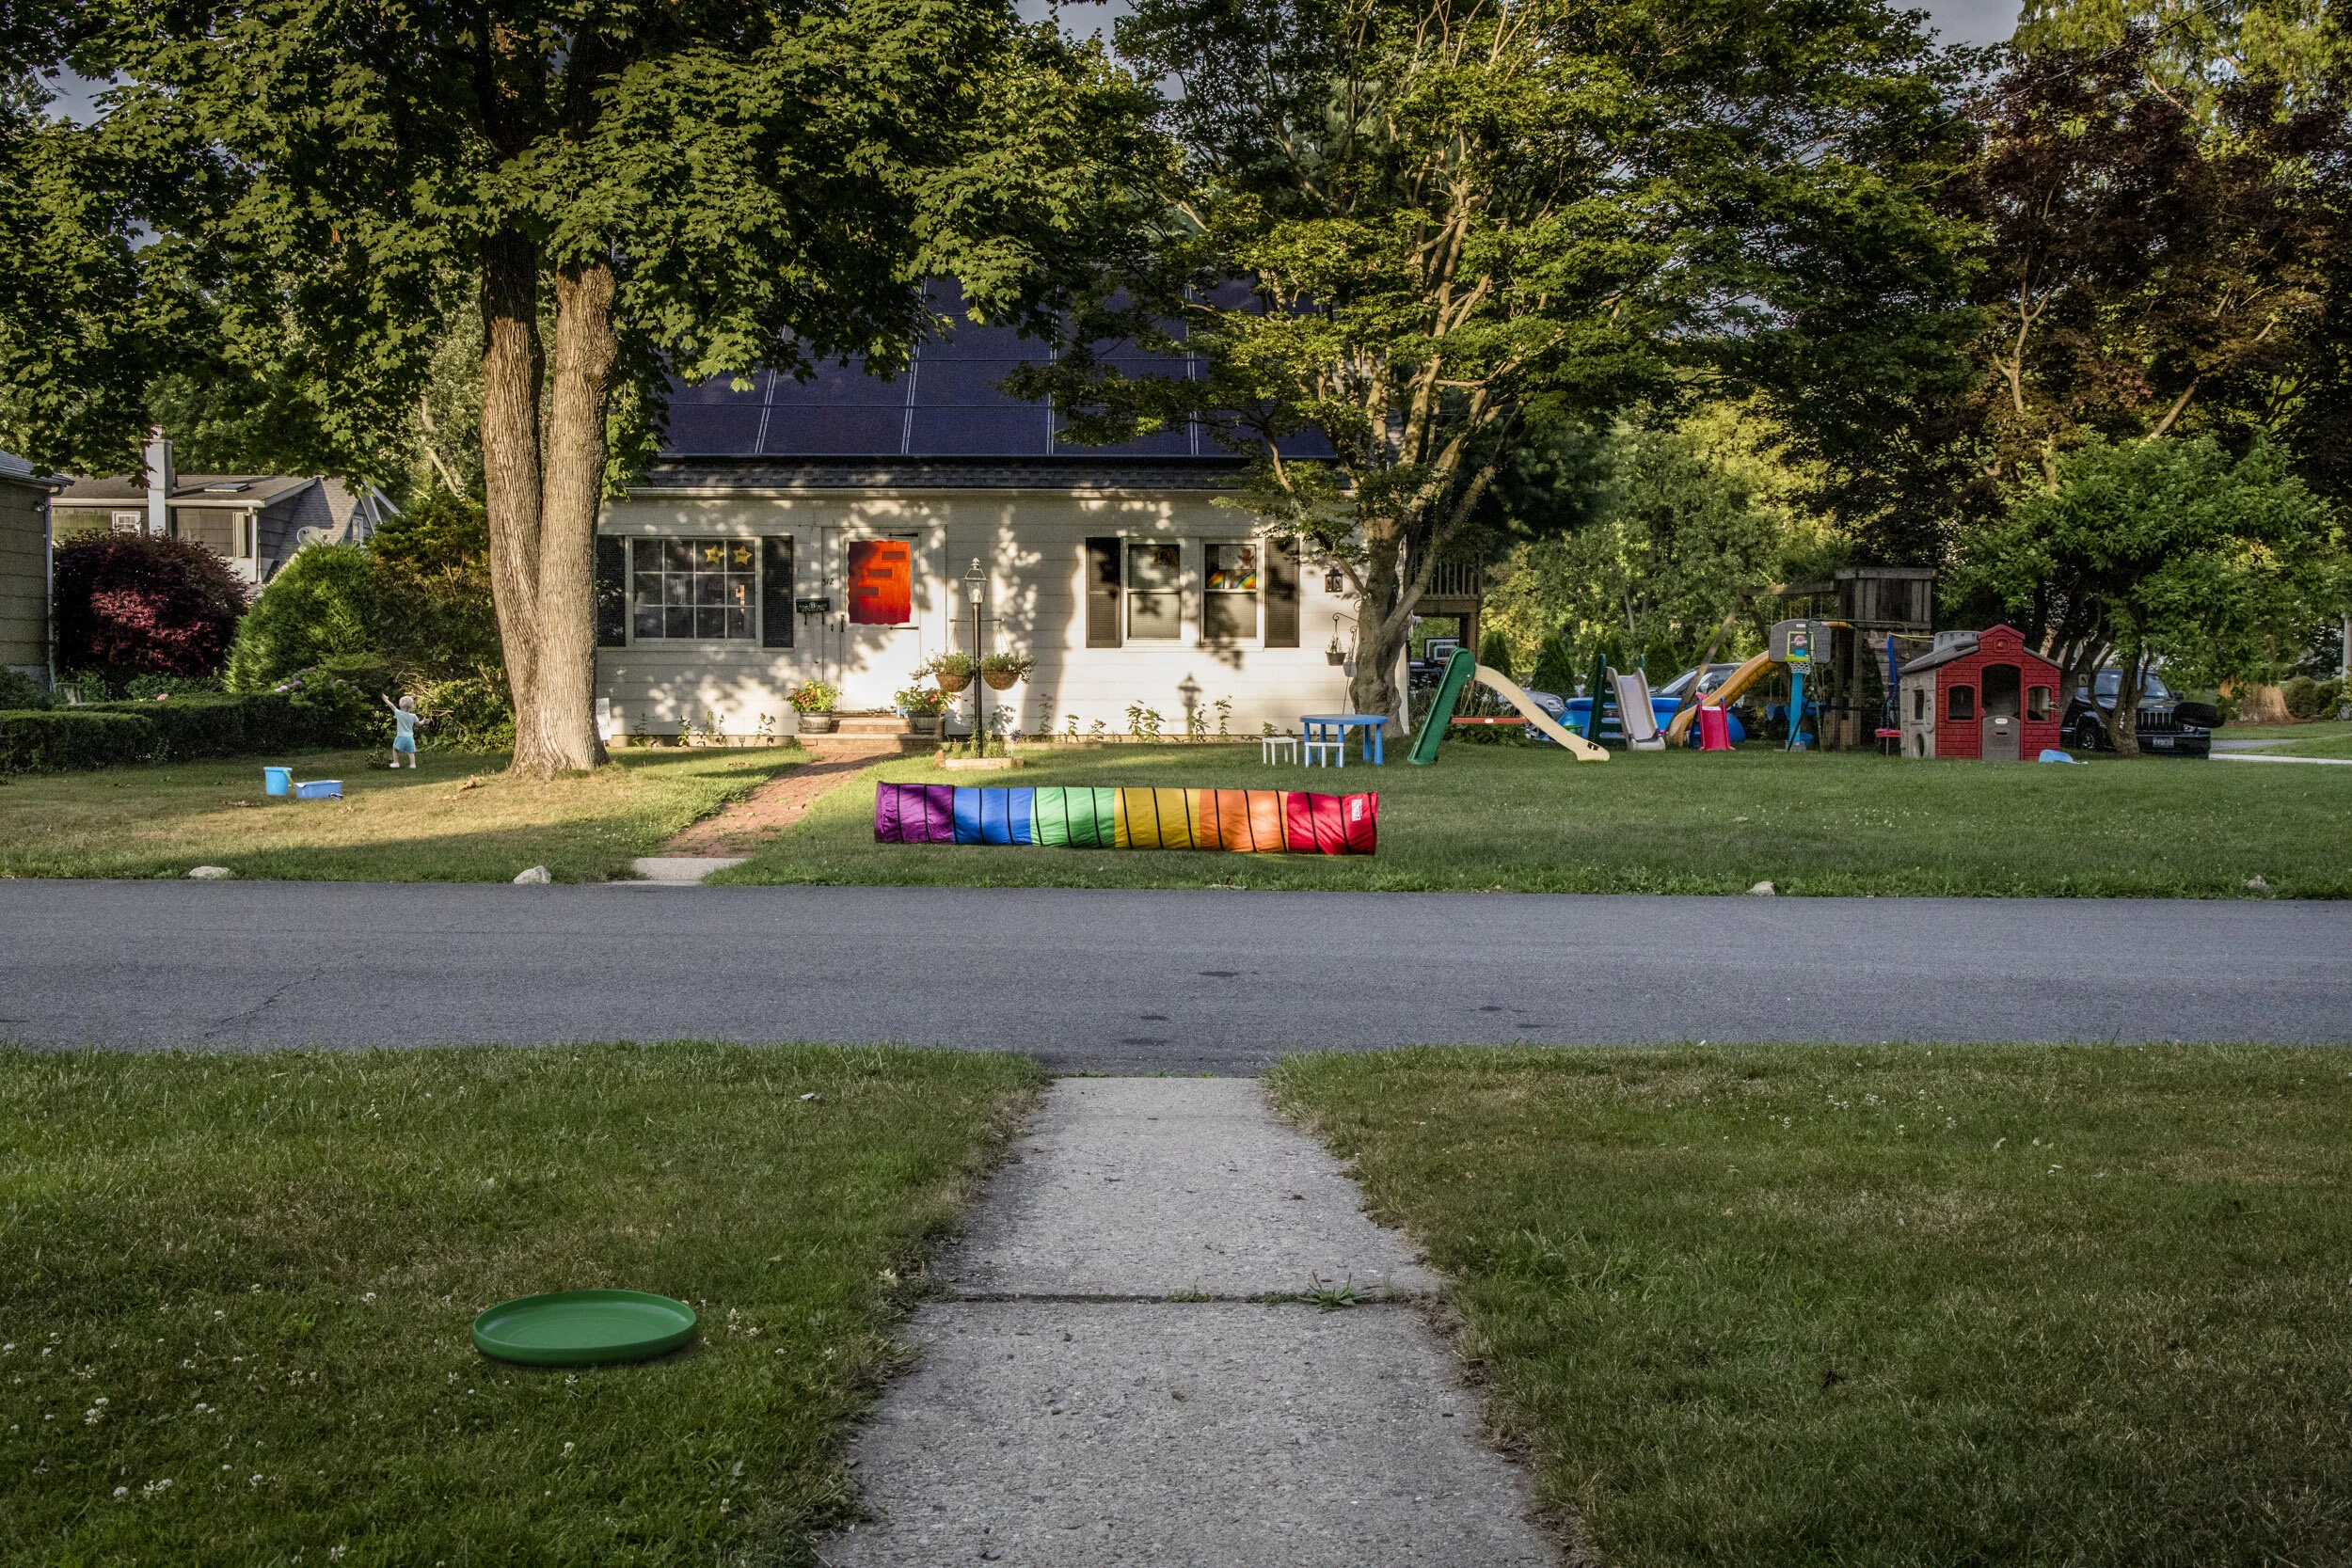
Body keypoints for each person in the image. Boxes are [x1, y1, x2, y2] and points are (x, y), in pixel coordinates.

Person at [382, 693, 430, 767]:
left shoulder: (399, 713)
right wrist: (424, 721)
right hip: (409, 738)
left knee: (395, 749)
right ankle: (413, 764)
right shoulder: (413, 716)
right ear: (412, 706)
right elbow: (418, 724)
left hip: (400, 736)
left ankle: (396, 763)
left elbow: (391, 706)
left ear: (401, 705)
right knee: (410, 752)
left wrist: (386, 700)